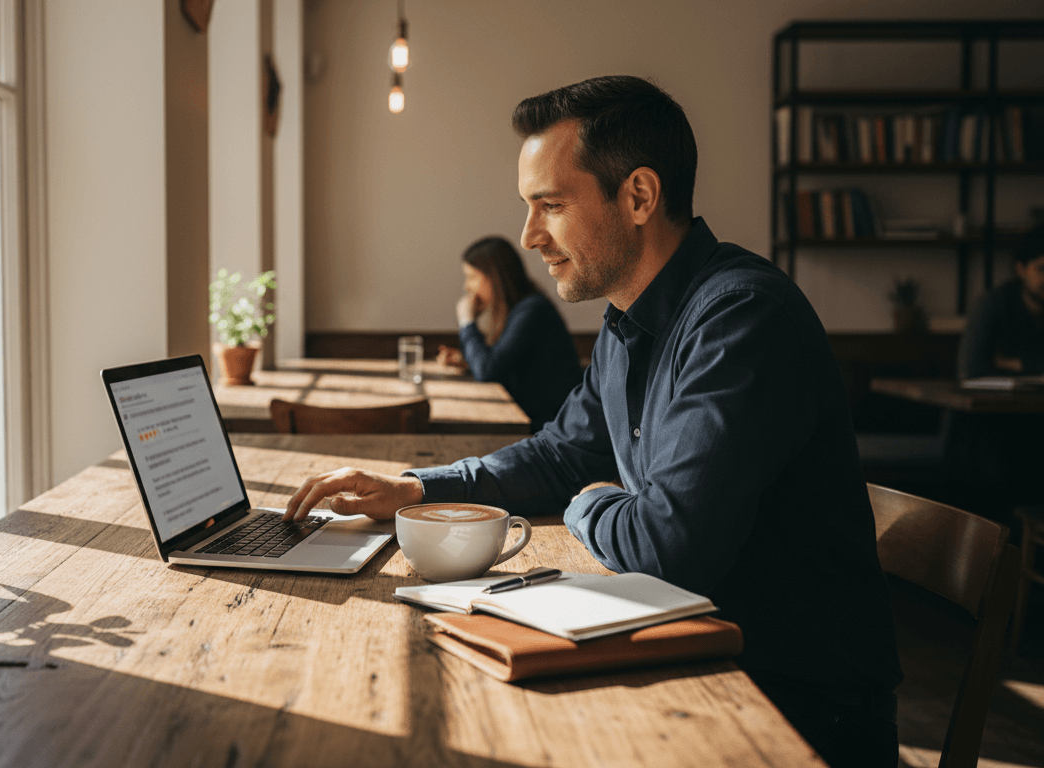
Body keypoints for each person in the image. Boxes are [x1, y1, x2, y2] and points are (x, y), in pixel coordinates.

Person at [284, 76, 902, 768]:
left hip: (792, 707)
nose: (529, 236)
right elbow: (560, 454)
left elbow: (666, 547)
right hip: (692, 657)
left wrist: (591, 505)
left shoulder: (742, 319)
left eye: (550, 205)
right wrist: (417, 489)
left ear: (638, 196)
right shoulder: (625, 321)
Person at [437, 236, 584, 430]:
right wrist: (466, 361)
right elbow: (501, 366)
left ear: (494, 277)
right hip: (534, 421)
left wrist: (467, 321)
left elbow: (488, 371)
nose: (467, 286)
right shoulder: (516, 310)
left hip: (552, 427)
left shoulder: (533, 310)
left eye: (472, 277)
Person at [958, 223, 1044, 379]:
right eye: (1041, 269)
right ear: (1021, 270)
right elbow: (970, 369)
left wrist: (1016, 364)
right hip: (1000, 394)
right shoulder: (993, 304)